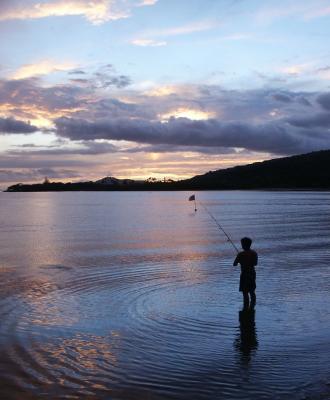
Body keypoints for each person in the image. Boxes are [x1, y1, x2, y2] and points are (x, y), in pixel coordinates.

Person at [233, 237, 258, 309]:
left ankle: (245, 308)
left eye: (242, 244)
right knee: (252, 291)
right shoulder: (254, 253)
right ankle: (253, 306)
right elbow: (255, 263)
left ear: (243, 245)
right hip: (252, 274)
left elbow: (234, 264)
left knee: (245, 292)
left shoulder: (241, 254)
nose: (241, 245)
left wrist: (240, 259)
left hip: (244, 274)